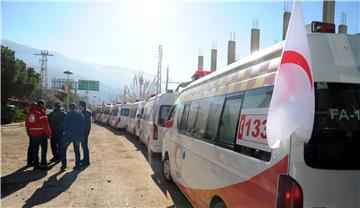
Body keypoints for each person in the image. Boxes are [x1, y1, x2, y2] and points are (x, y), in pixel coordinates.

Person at [27, 99, 52, 170]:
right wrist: (49, 134)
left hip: (33, 135)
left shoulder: (30, 112)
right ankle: (43, 164)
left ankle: (36, 164)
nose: (45, 106)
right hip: (42, 134)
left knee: (35, 150)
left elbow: (27, 124)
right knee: (44, 150)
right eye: (44, 105)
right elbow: (45, 125)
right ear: (42, 104)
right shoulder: (41, 112)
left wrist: (30, 132)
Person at [61, 103, 86, 170]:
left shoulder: (68, 114)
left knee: (63, 149)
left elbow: (65, 125)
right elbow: (83, 125)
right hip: (77, 136)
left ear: (70, 108)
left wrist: (65, 131)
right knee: (77, 150)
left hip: (69, 136)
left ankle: (64, 165)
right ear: (75, 107)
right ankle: (77, 166)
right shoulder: (80, 114)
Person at [79, 100, 92, 167]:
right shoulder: (86, 112)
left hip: (84, 132)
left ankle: (87, 161)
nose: (79, 107)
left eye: (80, 105)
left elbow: (87, 124)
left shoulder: (85, 113)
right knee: (84, 146)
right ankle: (85, 159)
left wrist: (86, 132)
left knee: (85, 146)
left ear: (82, 105)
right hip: (84, 132)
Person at [25, 102, 37, 167]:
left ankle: (29, 161)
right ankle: (32, 161)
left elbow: (26, 124)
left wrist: (27, 132)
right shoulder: (35, 113)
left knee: (31, 147)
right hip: (35, 133)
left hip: (31, 132)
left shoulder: (28, 113)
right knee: (34, 147)